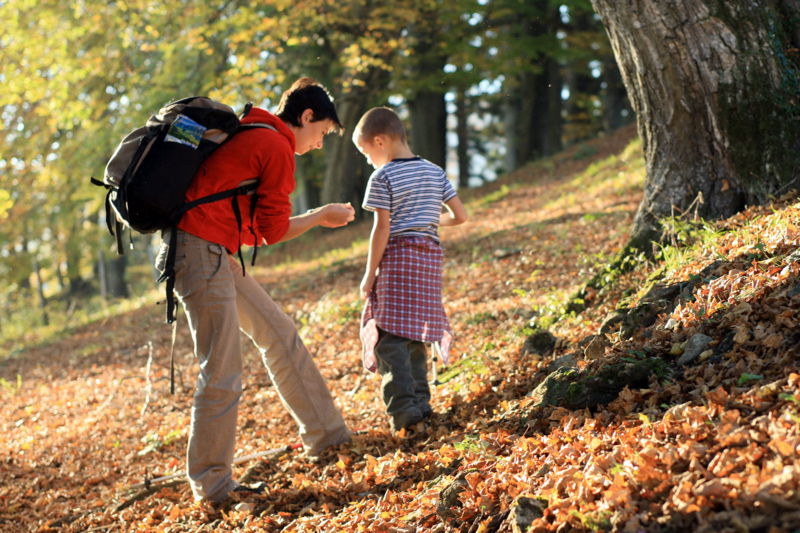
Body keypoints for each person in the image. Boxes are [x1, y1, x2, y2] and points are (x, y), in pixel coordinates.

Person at [156, 77, 354, 503]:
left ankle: (330, 438)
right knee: (222, 368)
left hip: (213, 251)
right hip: (198, 252)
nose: (319, 144)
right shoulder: (276, 145)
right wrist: (321, 215)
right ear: (305, 117)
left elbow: (256, 227)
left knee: (279, 334)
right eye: (321, 133)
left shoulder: (254, 130)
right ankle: (212, 486)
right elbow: (273, 231)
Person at [353, 107, 468, 433]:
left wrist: (369, 273)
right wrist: (430, 221)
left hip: (398, 261)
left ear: (379, 141)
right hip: (429, 261)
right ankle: (422, 406)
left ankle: (404, 414)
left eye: (365, 152)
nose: (367, 161)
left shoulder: (384, 176)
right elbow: (460, 216)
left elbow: (382, 230)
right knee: (415, 335)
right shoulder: (434, 171)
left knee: (389, 340)